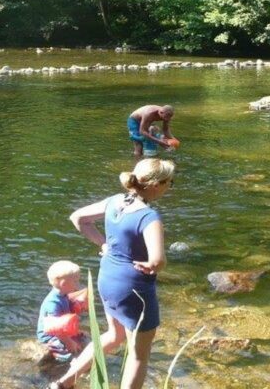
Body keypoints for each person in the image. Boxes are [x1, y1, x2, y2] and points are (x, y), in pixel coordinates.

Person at [49, 158, 175, 389]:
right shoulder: (149, 217)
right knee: (138, 356)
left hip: (107, 278)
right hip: (133, 288)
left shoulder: (115, 201)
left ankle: (63, 384)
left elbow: (78, 218)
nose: (170, 187)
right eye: (170, 182)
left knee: (114, 336)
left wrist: (103, 244)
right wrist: (153, 266)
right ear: (156, 184)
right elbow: (158, 261)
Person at [36, 260, 89, 363]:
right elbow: (56, 330)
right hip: (50, 337)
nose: (77, 284)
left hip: (62, 332)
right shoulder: (53, 303)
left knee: (86, 339)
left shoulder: (63, 295)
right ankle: (64, 362)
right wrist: (70, 343)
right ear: (63, 284)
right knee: (73, 357)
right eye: (75, 281)